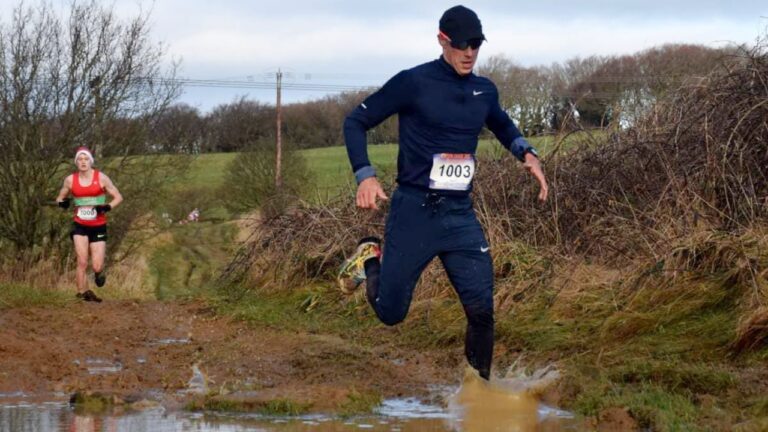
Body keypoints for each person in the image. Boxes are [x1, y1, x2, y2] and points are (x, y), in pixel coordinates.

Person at [338, 5, 548, 380]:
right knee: (391, 313)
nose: (470, 52)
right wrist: (365, 176)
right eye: (463, 44)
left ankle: (477, 394)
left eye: (477, 45)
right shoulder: (414, 82)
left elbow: (499, 121)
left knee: (482, 311)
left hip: (459, 214)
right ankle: (369, 256)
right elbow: (356, 121)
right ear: (443, 41)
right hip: (414, 211)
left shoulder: (484, 90)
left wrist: (525, 152)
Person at [56, 147, 123, 302]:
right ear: (76, 162)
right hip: (80, 225)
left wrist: (107, 207)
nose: (83, 162)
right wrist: (62, 204)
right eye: (80, 159)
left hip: (98, 225)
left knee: (96, 266)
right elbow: (59, 198)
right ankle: (81, 294)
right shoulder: (70, 180)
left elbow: (118, 197)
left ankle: (100, 273)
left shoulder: (101, 178)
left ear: (91, 161)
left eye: (86, 159)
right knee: (82, 261)